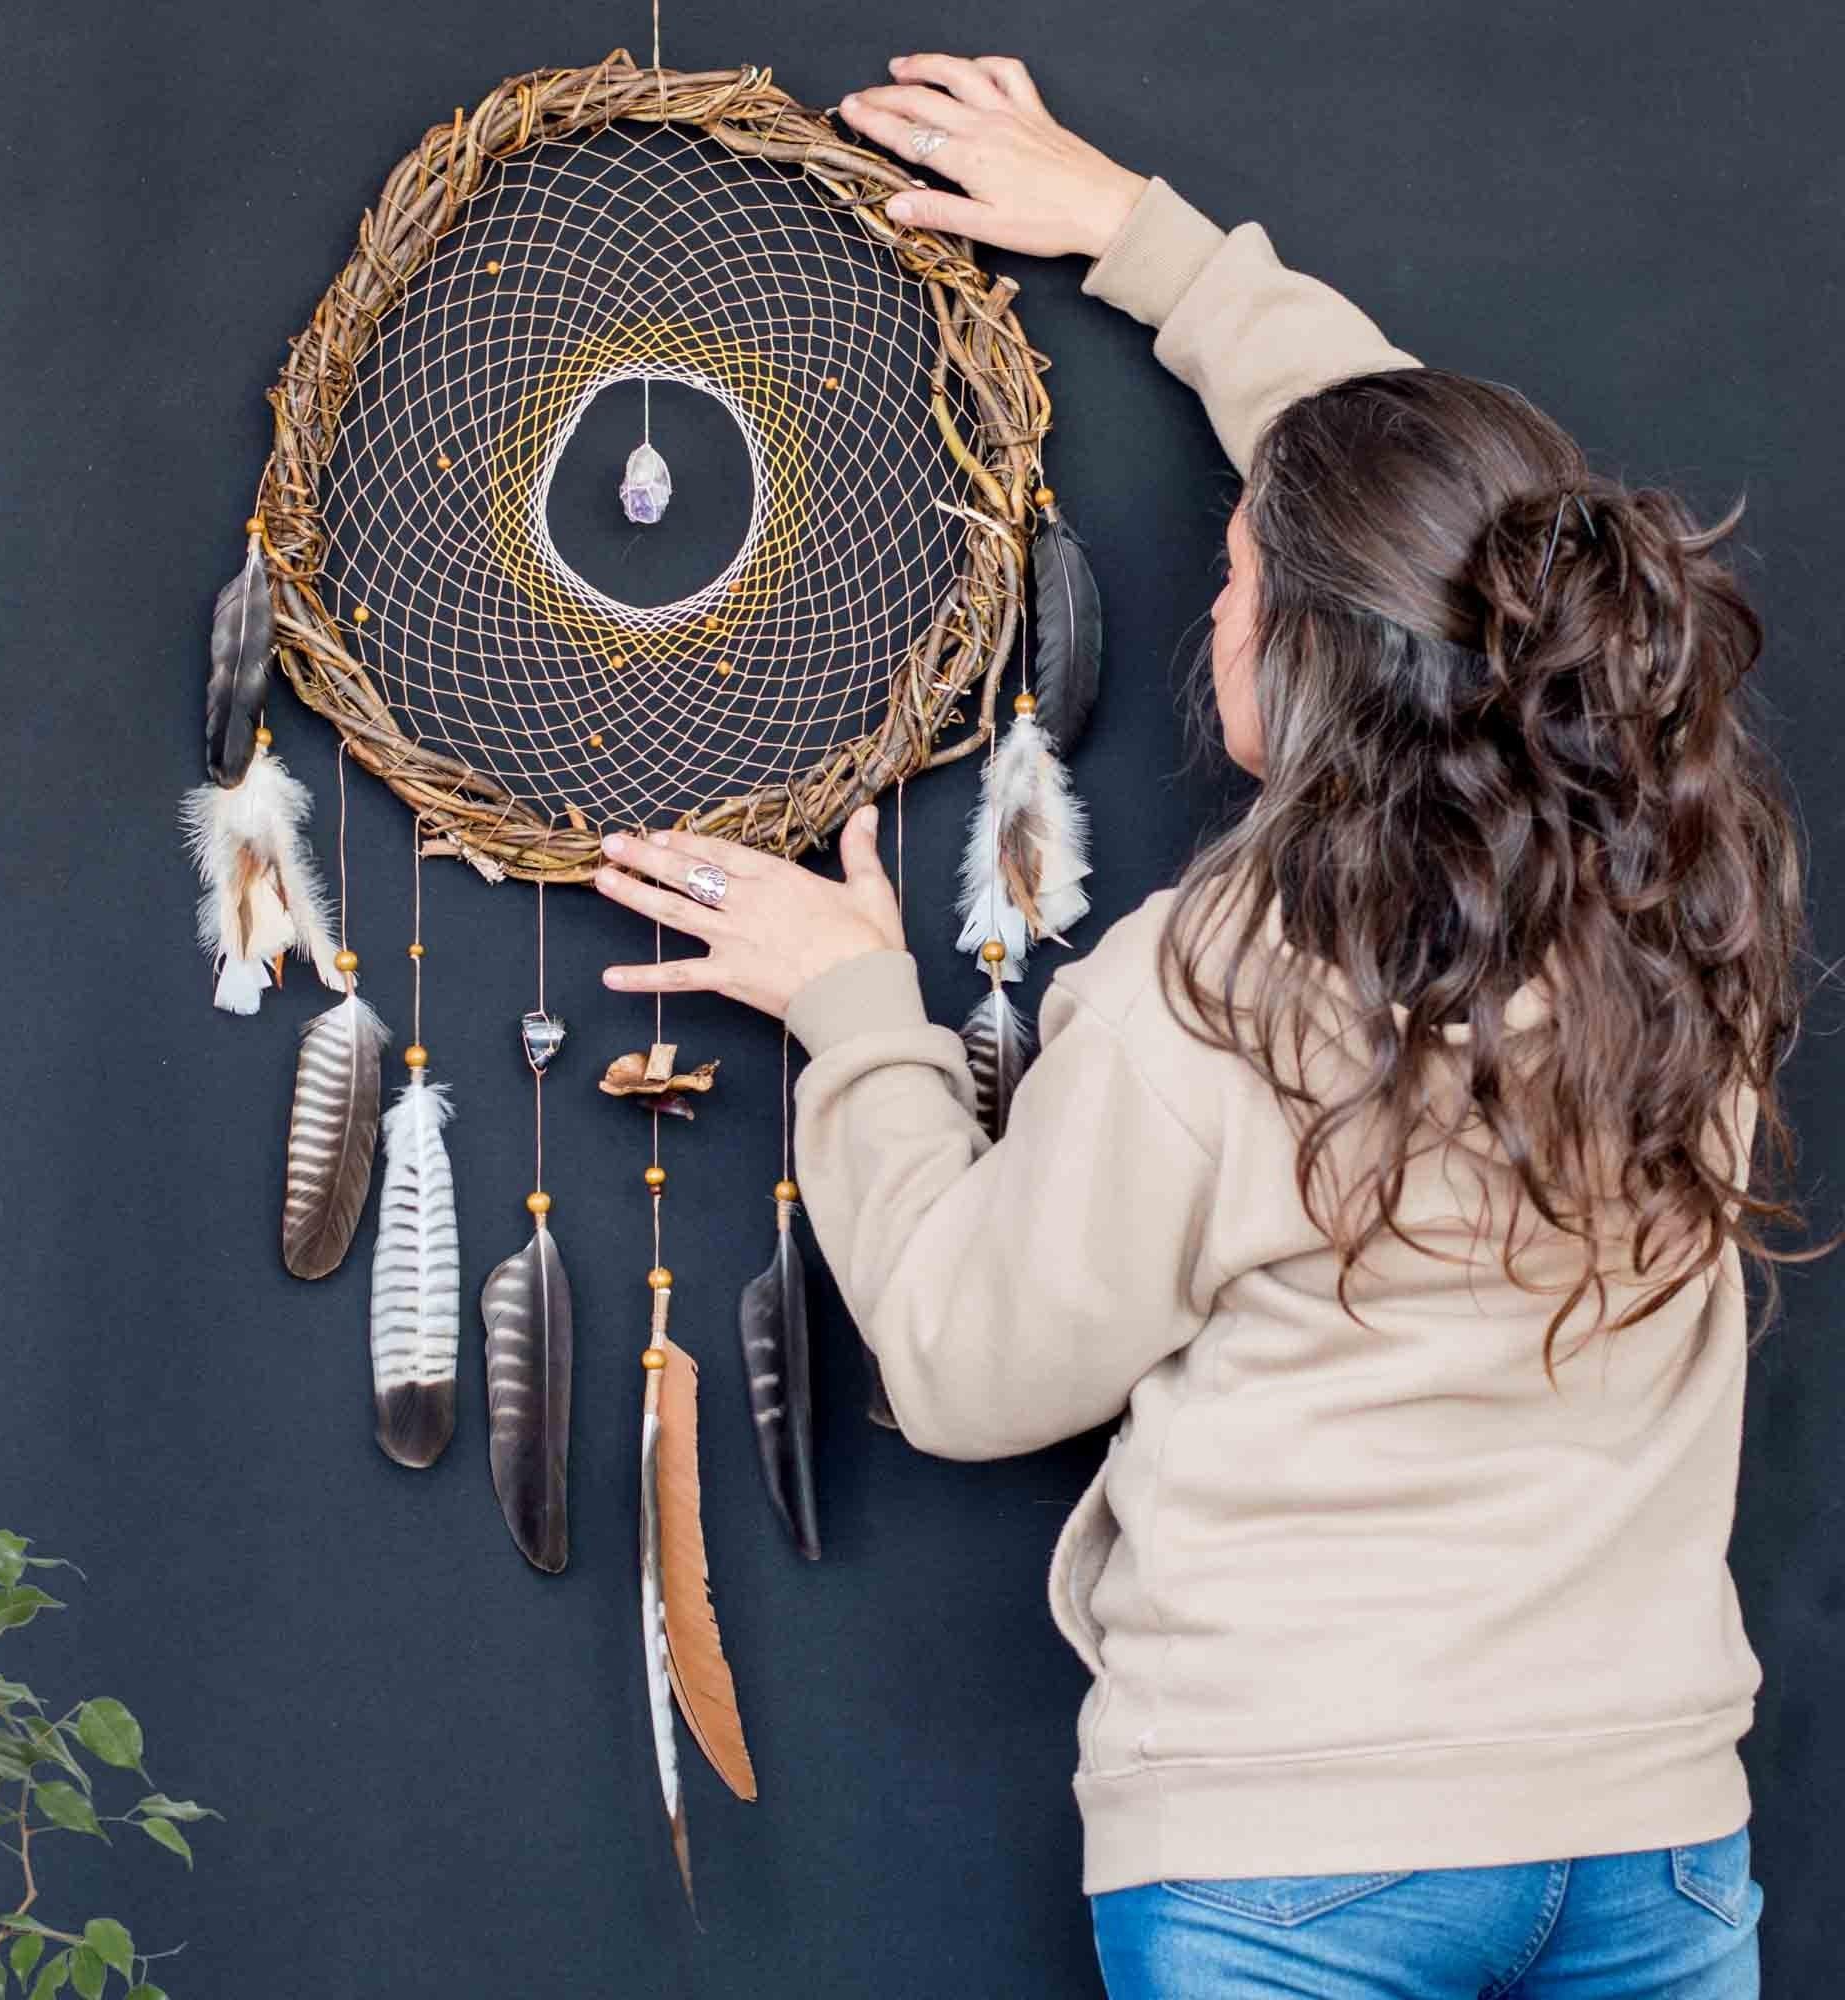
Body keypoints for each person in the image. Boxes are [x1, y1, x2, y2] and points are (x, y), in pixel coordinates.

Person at [590, 50, 1830, 1999]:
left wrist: (852, 1010)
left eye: (1245, 575)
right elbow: (1456, 520)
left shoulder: (1222, 988)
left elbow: (965, 1361)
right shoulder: (1687, 902)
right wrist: (1138, 235)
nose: (1215, 600)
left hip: (1294, 1859)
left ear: (1318, 658)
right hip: (1651, 1837)